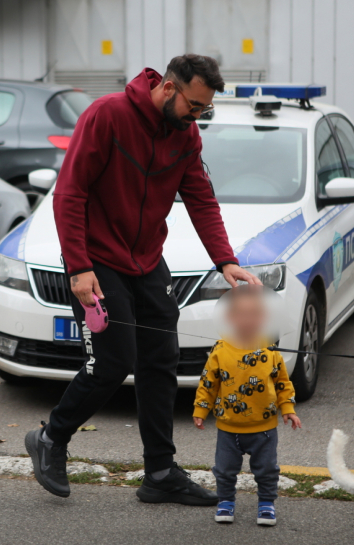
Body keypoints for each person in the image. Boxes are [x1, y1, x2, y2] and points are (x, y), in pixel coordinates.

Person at [25, 54, 262, 504]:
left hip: (146, 260)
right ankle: (51, 439)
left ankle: (159, 473)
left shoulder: (185, 134)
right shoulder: (107, 115)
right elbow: (69, 193)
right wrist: (78, 267)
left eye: (205, 109)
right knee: (112, 364)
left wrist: (224, 260)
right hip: (96, 261)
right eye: (195, 105)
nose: (198, 116)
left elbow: (200, 198)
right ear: (168, 88)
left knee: (160, 361)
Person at [192, 286, 301, 526]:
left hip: (264, 429)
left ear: (265, 318)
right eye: (241, 314)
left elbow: (283, 382)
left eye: (255, 314)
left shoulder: (270, 351)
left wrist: (288, 409)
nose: (248, 319)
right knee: (224, 470)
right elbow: (208, 382)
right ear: (229, 318)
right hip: (228, 428)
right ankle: (225, 502)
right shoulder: (220, 350)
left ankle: (266, 504)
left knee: (267, 470)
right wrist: (201, 410)